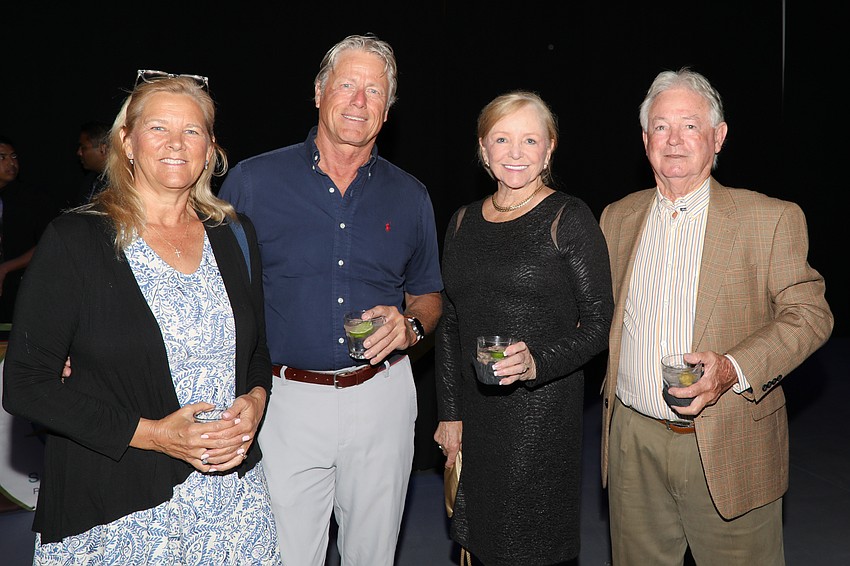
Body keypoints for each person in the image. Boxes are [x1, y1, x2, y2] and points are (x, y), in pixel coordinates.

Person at [2, 71, 281, 564]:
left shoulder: (234, 234)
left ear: (211, 149)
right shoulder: (76, 240)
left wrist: (256, 401)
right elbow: (25, 385)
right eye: (158, 128)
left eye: (192, 131)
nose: (176, 143)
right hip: (119, 511)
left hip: (234, 510)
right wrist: (157, 435)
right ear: (126, 143)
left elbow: (256, 351)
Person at [218, 35, 443, 566]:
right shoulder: (252, 182)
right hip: (284, 399)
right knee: (289, 556)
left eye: (374, 91)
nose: (359, 101)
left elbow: (429, 295)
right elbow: (207, 285)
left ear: (387, 112)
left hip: (383, 397)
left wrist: (409, 326)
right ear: (319, 92)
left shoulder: (410, 195)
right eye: (347, 84)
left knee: (374, 554)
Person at [599, 67, 834, 565]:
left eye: (690, 125)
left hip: (731, 441)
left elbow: (810, 314)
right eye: (661, 127)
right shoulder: (616, 218)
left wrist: (732, 368)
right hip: (632, 444)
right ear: (645, 141)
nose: (675, 140)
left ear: (718, 136)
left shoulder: (769, 218)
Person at [433, 91, 614, 565]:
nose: (515, 152)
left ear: (549, 149)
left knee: (530, 546)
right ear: (483, 148)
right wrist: (450, 415)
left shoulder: (568, 219)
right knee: (480, 542)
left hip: (541, 420)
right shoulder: (460, 223)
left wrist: (536, 362)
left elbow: (598, 325)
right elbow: (451, 326)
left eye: (529, 139)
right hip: (477, 417)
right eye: (502, 139)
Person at [0, 135, 54, 322]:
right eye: (2, 157)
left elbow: (47, 244)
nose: (11, 163)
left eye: (14, 156)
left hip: (22, 286)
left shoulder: (33, 199)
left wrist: (6, 268)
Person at [74, 119, 110, 205]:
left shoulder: (122, 184)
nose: (79, 152)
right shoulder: (89, 181)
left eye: (84, 148)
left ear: (103, 149)